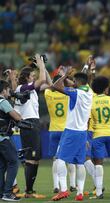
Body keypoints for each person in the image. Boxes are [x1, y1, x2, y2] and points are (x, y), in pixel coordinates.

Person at [51, 70, 93, 201]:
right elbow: (81, 82)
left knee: (60, 159)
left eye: (74, 81)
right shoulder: (89, 93)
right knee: (80, 163)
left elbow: (56, 86)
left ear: (77, 83)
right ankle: (80, 192)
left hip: (71, 130)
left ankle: (63, 190)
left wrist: (64, 75)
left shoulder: (76, 93)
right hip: (82, 132)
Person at [14, 54, 49, 198]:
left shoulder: (31, 89)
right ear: (27, 77)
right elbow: (41, 80)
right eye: (32, 75)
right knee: (31, 157)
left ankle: (30, 190)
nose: (34, 77)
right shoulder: (22, 88)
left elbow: (47, 82)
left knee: (35, 158)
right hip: (28, 124)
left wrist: (43, 67)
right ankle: (28, 192)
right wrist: (39, 62)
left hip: (33, 123)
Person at [44, 75, 69, 194]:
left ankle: (56, 185)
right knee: (66, 158)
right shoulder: (67, 94)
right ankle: (71, 184)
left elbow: (50, 85)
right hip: (66, 130)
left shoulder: (49, 94)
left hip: (53, 129)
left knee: (55, 158)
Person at [0, 80, 22, 201]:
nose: (10, 91)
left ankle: (1, 192)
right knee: (14, 162)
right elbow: (16, 116)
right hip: (3, 138)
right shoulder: (3, 102)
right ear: (3, 90)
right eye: (8, 89)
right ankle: (7, 193)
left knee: (1, 166)